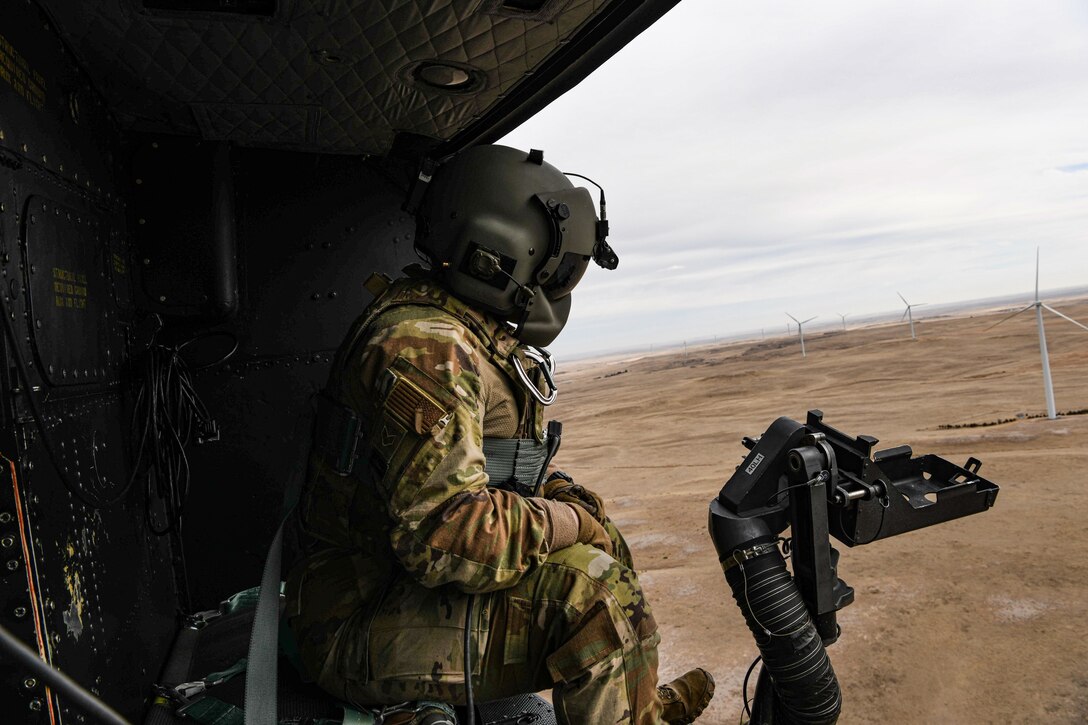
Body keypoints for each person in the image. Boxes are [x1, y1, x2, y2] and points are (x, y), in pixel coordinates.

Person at [286, 145, 714, 724]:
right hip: (358, 624)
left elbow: (490, 462)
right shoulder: (429, 347)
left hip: (395, 593)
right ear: (497, 252)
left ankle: (633, 703)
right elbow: (445, 538)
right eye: (558, 267)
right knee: (592, 596)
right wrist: (567, 522)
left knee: (600, 535)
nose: (561, 284)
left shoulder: (463, 332)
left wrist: (564, 495)